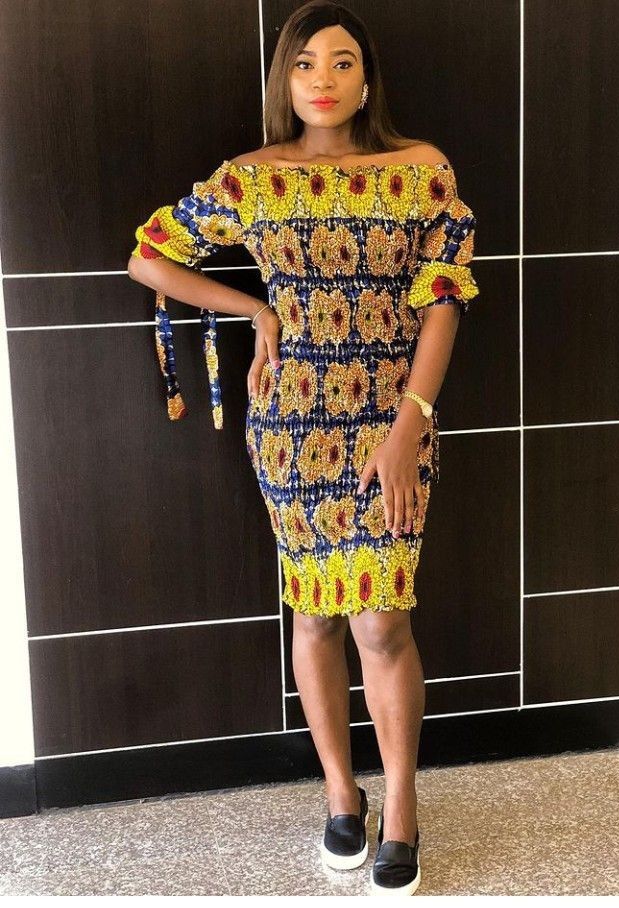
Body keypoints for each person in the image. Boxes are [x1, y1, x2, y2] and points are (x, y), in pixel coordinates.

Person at [128, 0, 479, 896]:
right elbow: (149, 256)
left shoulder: (420, 171)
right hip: (291, 430)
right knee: (316, 614)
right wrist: (253, 309)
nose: (323, 79)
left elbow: (443, 302)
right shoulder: (252, 178)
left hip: (394, 419)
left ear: (367, 79)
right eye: (304, 63)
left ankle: (402, 807)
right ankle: (340, 794)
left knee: (382, 619)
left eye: (342, 62)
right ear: (284, 78)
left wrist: (409, 423)